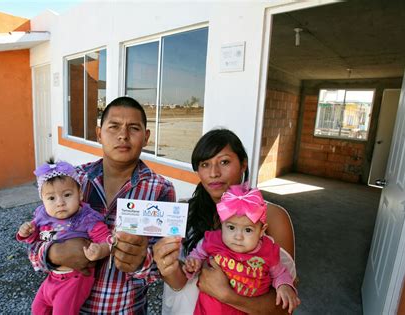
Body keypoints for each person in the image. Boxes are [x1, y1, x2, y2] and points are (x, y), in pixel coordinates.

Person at [27, 96, 175, 314]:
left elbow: (165, 263)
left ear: (146, 137)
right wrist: (53, 252)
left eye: (133, 128)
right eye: (113, 127)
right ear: (98, 134)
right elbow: (41, 235)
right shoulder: (73, 182)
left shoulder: (160, 190)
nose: (123, 135)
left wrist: (142, 261)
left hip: (126, 310)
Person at [153, 128, 298, 315]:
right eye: (205, 164)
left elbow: (285, 308)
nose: (214, 173)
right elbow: (179, 283)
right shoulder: (185, 212)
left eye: (224, 162)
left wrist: (227, 296)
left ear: (243, 164)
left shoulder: (272, 217)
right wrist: (167, 267)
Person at [183, 185, 299, 314]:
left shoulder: (268, 251)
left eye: (248, 230)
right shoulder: (213, 240)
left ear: (262, 231)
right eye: (231, 228)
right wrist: (193, 263)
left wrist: (284, 286)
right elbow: (198, 254)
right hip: (208, 311)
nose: (238, 237)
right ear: (221, 223)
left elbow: (280, 273)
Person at [16, 159, 112, 314]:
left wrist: (100, 249)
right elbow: (36, 239)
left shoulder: (86, 218)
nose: (60, 203)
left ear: (80, 194)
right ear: (43, 199)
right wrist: (27, 233)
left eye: (67, 195)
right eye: (51, 198)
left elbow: (107, 239)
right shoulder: (43, 217)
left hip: (75, 280)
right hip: (52, 277)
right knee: (37, 308)